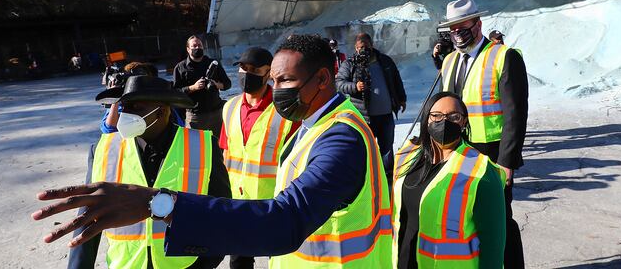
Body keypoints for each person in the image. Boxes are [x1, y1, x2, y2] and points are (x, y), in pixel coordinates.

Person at [34, 34, 393, 268]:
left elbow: (285, 221)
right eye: (274, 81)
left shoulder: (341, 139)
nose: (275, 89)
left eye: (285, 81)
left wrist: (157, 203)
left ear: (323, 79)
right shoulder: (314, 123)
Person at [67, 75, 231, 268]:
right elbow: (87, 219)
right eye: (124, 106)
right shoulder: (104, 150)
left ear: (161, 112)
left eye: (136, 108)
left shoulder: (202, 146)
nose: (125, 114)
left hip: (185, 265)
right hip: (126, 264)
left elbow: (221, 211)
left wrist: (206, 262)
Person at [431, 0, 527, 269]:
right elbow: (443, 106)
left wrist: (507, 162)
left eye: (464, 27)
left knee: (498, 220)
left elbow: (516, 113)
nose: (458, 34)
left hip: (492, 152)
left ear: (479, 24)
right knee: (464, 216)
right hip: (457, 150)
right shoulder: (449, 60)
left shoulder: (504, 56)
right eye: (453, 29)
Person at [392, 91, 506, 268]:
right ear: (427, 119)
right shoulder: (407, 155)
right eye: (436, 115)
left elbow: (493, 246)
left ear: (464, 122)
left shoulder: (481, 171)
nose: (444, 122)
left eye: (454, 116)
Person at [217, 47, 299, 269]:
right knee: (239, 261)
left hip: (273, 204)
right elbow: (226, 153)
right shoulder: (229, 107)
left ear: (268, 74)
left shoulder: (285, 111)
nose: (246, 73)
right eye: (243, 68)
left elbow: (297, 160)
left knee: (279, 260)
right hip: (238, 203)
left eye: (254, 69)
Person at [336, 32, 407, 178]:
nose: (364, 50)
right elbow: (339, 83)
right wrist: (355, 86)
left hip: (386, 115)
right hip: (364, 117)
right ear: (356, 48)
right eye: (360, 47)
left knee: (387, 147)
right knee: (365, 148)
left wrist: (401, 98)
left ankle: (387, 177)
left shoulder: (385, 61)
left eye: (366, 46)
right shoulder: (350, 63)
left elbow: (396, 80)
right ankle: (367, 176)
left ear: (372, 45)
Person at [172, 36, 231, 132]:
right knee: (196, 146)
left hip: (216, 113)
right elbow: (175, 92)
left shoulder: (213, 63)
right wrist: (193, 87)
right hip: (195, 116)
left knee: (219, 145)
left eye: (199, 45)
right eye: (194, 46)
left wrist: (216, 84)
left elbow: (228, 84)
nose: (197, 48)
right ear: (188, 49)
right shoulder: (180, 68)